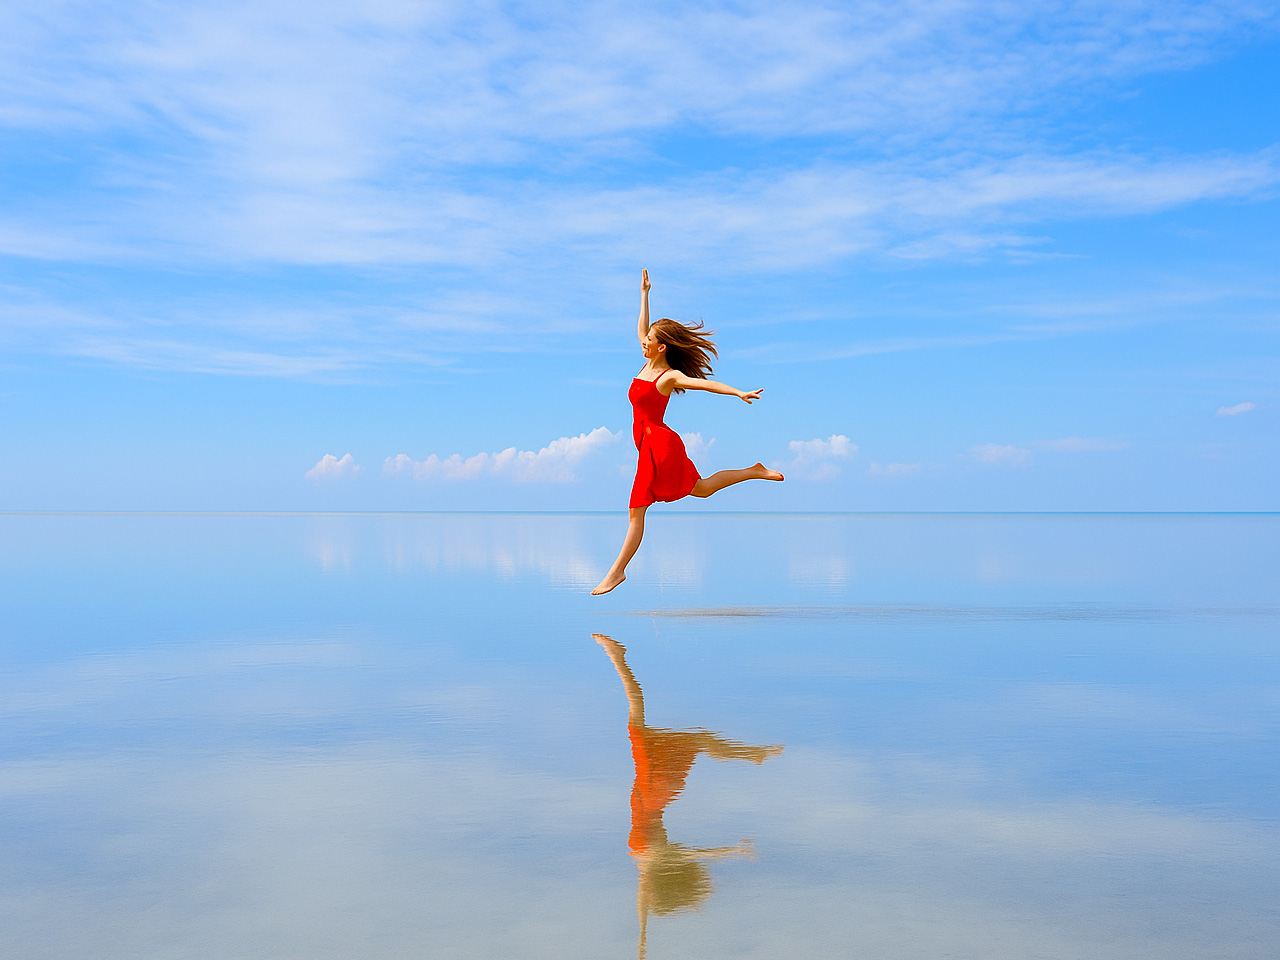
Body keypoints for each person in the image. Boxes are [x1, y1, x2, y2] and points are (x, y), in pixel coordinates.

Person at [591, 269, 784, 596]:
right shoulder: (646, 361)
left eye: (649, 341)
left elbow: (705, 384)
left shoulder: (667, 377)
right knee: (702, 489)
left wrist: (738, 392)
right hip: (648, 445)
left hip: (660, 445)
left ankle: (616, 572)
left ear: (661, 347)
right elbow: (641, 326)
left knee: (636, 509)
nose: (643, 343)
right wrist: (644, 294)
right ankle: (754, 471)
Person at [593, 634, 782, 959]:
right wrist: (641, 938)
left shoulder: (654, 860)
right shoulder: (641, 861)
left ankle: (751, 755)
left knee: (695, 738)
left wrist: (732, 851)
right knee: (646, 713)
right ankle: (616, 656)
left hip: (654, 790)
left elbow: (696, 855)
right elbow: (643, 897)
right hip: (646, 791)